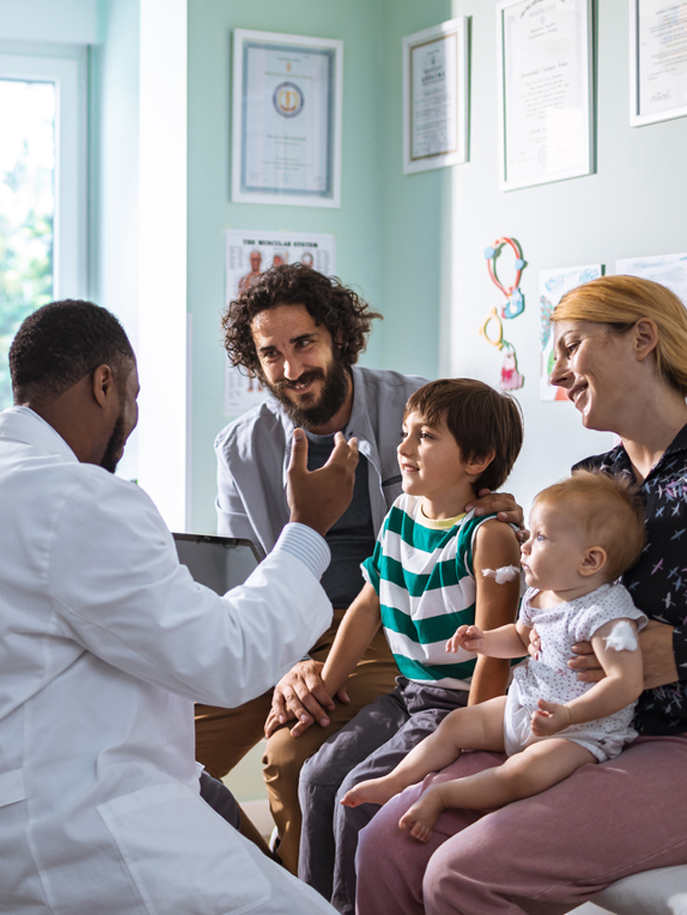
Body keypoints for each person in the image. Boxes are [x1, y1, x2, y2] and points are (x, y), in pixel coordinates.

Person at [0, 299, 359, 915]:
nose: (133, 417)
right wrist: (307, 529)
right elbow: (226, 658)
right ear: (104, 384)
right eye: (133, 395)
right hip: (76, 821)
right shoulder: (79, 498)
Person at [355, 274, 687, 915]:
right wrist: (521, 533)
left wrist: (679, 652)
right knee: (387, 845)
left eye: (570, 348)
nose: (556, 375)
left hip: (668, 737)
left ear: (642, 338)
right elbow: (560, 593)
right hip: (562, 716)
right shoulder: (597, 478)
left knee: (461, 875)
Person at [201, 262, 427, 870]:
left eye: (303, 343)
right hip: (281, 629)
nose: (291, 369)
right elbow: (243, 579)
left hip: (382, 625)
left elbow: (468, 519)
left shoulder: (417, 410)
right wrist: (289, 659)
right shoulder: (240, 448)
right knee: (161, 746)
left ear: (339, 336)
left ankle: (303, 893)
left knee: (288, 757)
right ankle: (264, 876)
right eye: (270, 354)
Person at [297, 378, 524, 914]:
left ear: (477, 460)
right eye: (405, 432)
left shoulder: (488, 536)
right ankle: (307, 905)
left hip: (454, 706)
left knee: (358, 794)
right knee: (318, 778)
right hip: (407, 694)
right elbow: (368, 606)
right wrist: (325, 686)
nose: (403, 447)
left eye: (425, 436)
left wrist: (468, 741)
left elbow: (494, 652)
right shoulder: (400, 513)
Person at [345, 471, 647, 845]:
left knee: (521, 775)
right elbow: (519, 638)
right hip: (525, 706)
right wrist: (484, 640)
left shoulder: (607, 614)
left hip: (581, 731)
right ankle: (396, 780)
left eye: (541, 538)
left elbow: (625, 681)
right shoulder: (541, 592)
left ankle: (443, 796)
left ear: (590, 560)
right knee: (456, 724)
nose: (525, 545)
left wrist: (570, 715)